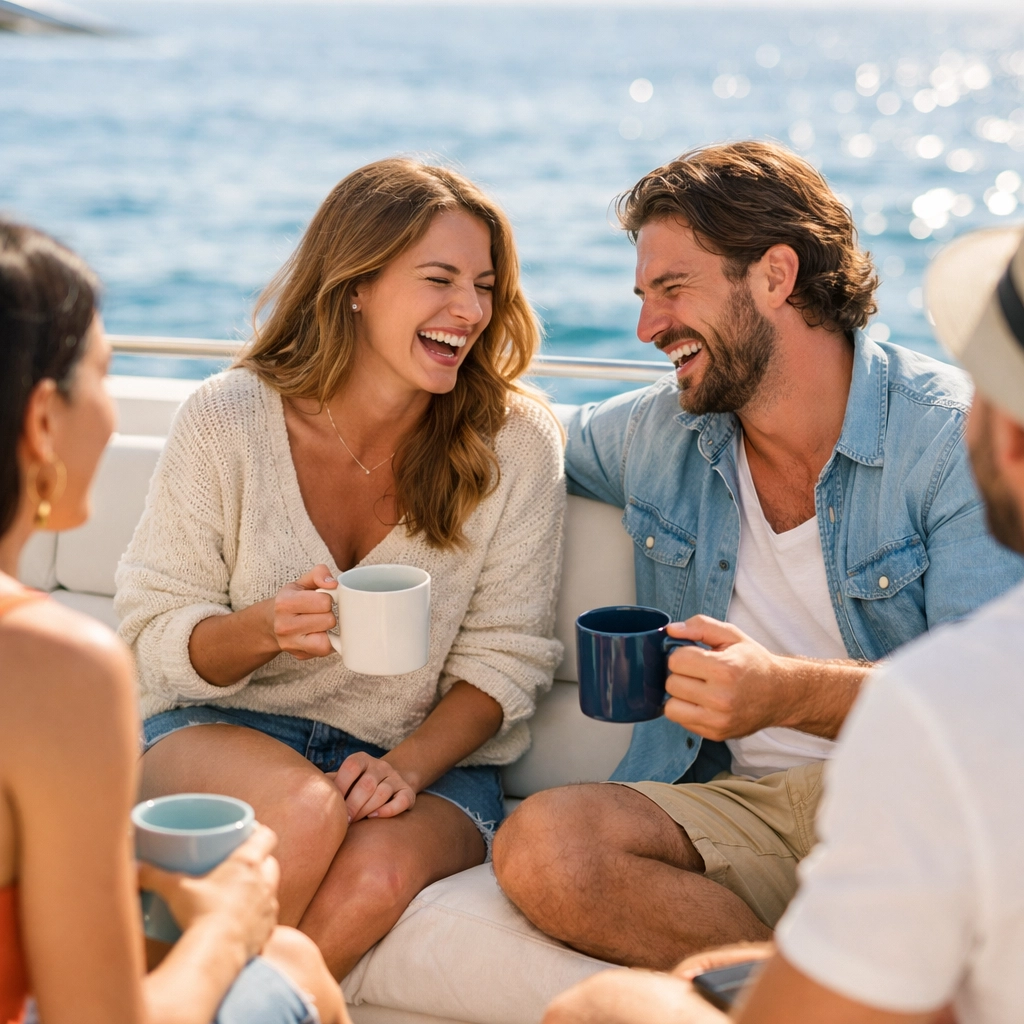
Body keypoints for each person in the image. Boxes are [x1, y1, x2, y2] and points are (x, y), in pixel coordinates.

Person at [491, 141, 1024, 968]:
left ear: (776, 275)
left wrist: (783, 692)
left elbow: (988, 707)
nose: (647, 328)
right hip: (734, 802)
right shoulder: (662, 431)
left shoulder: (951, 444)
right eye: (643, 297)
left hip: (911, 799)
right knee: (545, 847)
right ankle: (811, 991)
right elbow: (523, 437)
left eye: (673, 289)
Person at [115, 158, 565, 978]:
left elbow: (507, 660)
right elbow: (153, 635)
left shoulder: (516, 444)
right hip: (229, 729)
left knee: (374, 881)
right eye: (440, 280)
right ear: (357, 284)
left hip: (423, 760)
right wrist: (262, 631)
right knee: (305, 810)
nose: (470, 311)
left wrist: (406, 767)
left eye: (484, 287)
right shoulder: (228, 419)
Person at [0, 219, 346, 1024]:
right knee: (292, 963)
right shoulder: (52, 669)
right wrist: (229, 924)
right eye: (105, 376)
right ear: (43, 423)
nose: (112, 414)